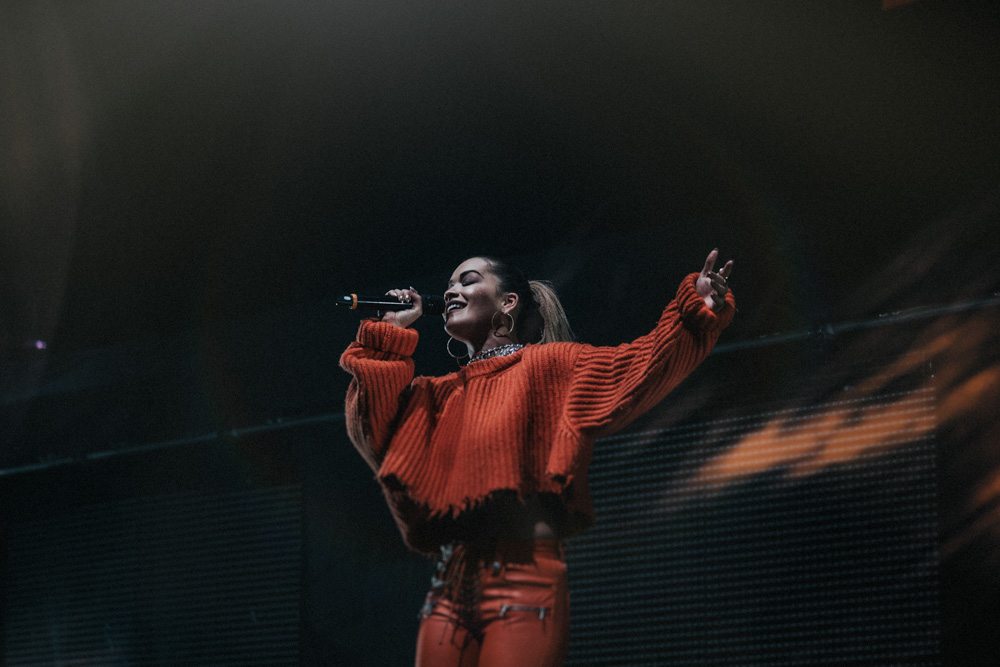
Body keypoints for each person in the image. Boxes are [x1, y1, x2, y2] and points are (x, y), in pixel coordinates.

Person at [339, 249, 735, 667]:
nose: (452, 289)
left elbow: (641, 365)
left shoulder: (552, 366)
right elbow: (374, 431)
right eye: (450, 285)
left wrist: (697, 309)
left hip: (523, 577)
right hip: (450, 584)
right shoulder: (436, 395)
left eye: (468, 280)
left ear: (507, 302)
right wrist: (389, 337)